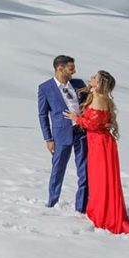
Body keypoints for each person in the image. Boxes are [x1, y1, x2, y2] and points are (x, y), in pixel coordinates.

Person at [64, 71, 129, 235]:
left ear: (100, 83)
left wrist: (77, 118)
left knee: (102, 180)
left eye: (95, 78)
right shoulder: (96, 97)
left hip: (101, 144)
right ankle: (99, 210)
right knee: (97, 179)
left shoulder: (100, 99)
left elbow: (94, 124)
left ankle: (105, 215)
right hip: (97, 143)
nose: (91, 78)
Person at [37, 55, 88, 211]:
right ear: (60, 68)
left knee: (84, 171)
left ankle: (81, 207)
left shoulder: (79, 84)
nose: (74, 71)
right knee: (58, 170)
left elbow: (88, 104)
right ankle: (52, 203)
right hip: (60, 135)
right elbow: (42, 114)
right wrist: (48, 138)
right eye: (71, 68)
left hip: (81, 133)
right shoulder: (45, 88)